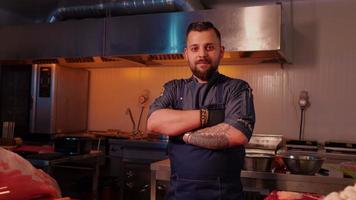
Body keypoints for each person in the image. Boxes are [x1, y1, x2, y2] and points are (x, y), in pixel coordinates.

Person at [147, 21, 255, 200]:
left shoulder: (237, 88)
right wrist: (210, 116)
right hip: (179, 195)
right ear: (186, 54)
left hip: (225, 196)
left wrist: (184, 134)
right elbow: (154, 122)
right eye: (195, 48)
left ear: (221, 51)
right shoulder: (174, 88)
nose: (202, 54)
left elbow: (237, 134)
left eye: (209, 47)